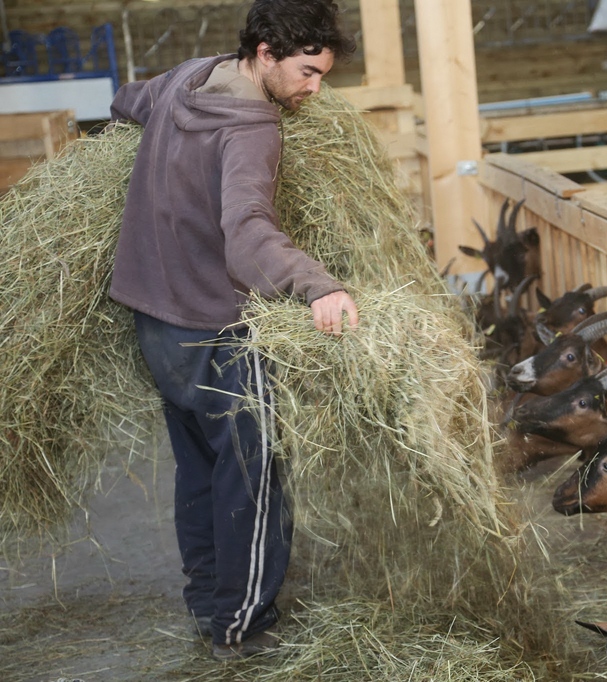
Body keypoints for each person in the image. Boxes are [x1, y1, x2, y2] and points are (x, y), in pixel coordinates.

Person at [108, 0, 358, 660]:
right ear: (267, 54)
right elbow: (248, 236)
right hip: (212, 326)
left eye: (323, 74)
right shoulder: (253, 125)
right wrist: (319, 285)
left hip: (152, 313)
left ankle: (207, 602)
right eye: (306, 72)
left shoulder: (192, 75)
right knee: (252, 473)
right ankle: (242, 625)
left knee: (198, 466)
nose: (314, 88)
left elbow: (128, 99)